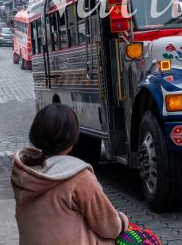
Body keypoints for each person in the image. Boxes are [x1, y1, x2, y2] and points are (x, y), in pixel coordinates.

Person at [11, 104, 129, 245]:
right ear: (72, 137)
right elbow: (110, 227)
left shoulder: (24, 173)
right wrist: (122, 220)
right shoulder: (79, 178)